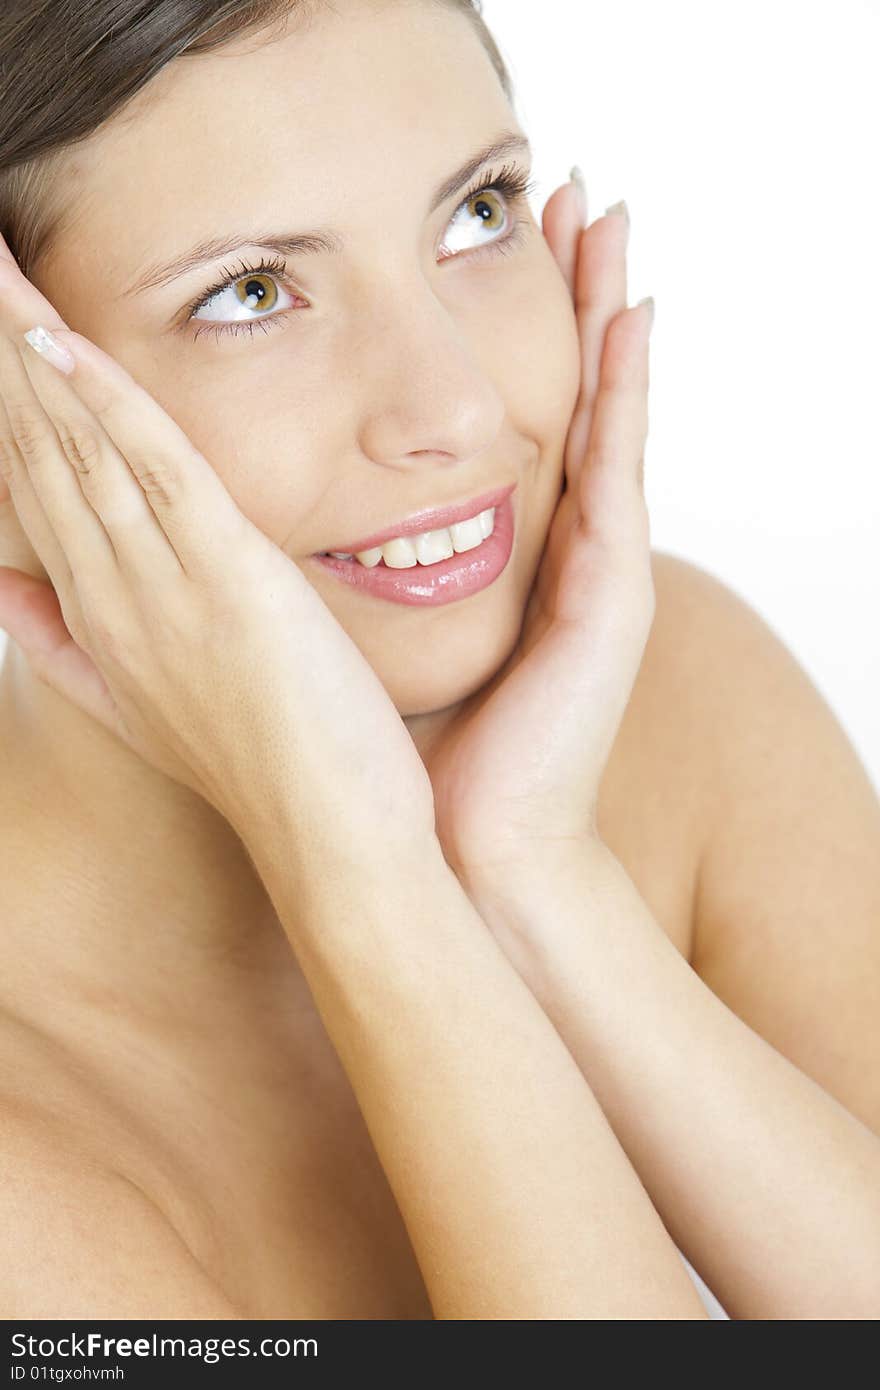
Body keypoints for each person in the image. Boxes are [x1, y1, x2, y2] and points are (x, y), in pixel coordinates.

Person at [0, 0, 877, 1322]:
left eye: (478, 211)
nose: (460, 406)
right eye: (249, 293)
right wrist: (368, 876)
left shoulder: (672, 691)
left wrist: (537, 874)